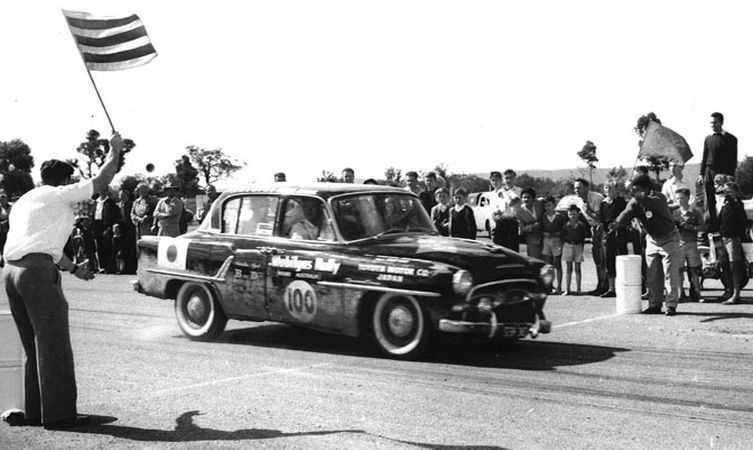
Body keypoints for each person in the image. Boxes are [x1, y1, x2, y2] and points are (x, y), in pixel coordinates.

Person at [2, 132, 123, 428]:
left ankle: (36, 411)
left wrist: (74, 269)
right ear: (65, 180)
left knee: (34, 347)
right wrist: (115, 151)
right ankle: (60, 414)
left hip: (12, 272)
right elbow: (102, 180)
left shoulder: (27, 200)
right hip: (37, 275)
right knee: (54, 345)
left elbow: (45, 246)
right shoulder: (59, 194)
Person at [611, 174, 682, 316]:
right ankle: (655, 305)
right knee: (652, 273)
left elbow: (650, 203)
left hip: (669, 239)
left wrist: (634, 193)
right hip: (652, 239)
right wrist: (617, 223)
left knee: (670, 273)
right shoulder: (635, 201)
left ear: (646, 188)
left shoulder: (659, 198)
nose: (634, 191)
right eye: (634, 189)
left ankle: (671, 305)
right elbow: (627, 212)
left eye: (637, 189)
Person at [698, 112, 737, 230]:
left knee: (725, 199)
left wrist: (730, 177)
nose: (712, 125)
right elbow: (704, 157)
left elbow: (733, 159)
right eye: (711, 122)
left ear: (721, 122)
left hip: (723, 173)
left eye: (715, 122)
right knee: (710, 201)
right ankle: (713, 228)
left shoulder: (731, 139)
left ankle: (726, 225)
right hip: (709, 172)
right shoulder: (708, 138)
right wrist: (701, 173)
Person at [574, 178, 607, 296]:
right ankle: (600, 285)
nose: (577, 190)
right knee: (597, 258)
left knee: (604, 259)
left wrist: (588, 211)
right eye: (575, 188)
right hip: (593, 230)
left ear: (586, 188)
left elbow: (600, 217)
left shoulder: (597, 198)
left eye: (579, 188)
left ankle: (606, 286)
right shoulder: (579, 202)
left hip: (603, 230)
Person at [717, 182, 747, 304]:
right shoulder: (725, 203)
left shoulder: (738, 204)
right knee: (724, 265)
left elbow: (742, 221)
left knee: (735, 266)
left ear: (735, 191)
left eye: (729, 191)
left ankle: (736, 294)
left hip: (733, 238)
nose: (726, 193)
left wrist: (738, 235)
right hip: (723, 237)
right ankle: (729, 290)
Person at [673, 187, 704, 302]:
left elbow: (702, 226)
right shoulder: (675, 213)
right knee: (679, 269)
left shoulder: (695, 212)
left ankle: (696, 292)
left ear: (688, 198)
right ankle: (681, 293)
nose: (679, 201)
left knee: (694, 269)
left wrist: (692, 228)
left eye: (681, 198)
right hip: (679, 243)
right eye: (677, 198)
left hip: (692, 243)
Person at [599, 180, 628, 298]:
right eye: (607, 188)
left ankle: (624, 285)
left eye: (611, 188)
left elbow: (625, 215)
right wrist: (602, 228)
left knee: (622, 258)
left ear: (616, 189)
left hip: (620, 234)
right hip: (608, 235)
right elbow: (601, 219)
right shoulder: (603, 204)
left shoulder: (620, 201)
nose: (609, 190)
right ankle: (612, 288)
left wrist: (618, 224)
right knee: (609, 261)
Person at [490, 170, 522, 252]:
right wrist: (496, 213)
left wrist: (504, 192)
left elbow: (512, 203)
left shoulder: (518, 191)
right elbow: (495, 208)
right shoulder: (498, 192)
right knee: (499, 251)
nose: (508, 180)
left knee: (512, 252)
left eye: (511, 178)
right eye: (506, 178)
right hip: (500, 223)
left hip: (512, 222)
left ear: (515, 179)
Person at [540, 196, 565, 294]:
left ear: (554, 205)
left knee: (557, 264)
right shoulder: (543, 217)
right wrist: (544, 233)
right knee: (548, 265)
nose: (547, 208)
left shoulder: (559, 217)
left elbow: (564, 230)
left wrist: (558, 233)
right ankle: (549, 287)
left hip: (557, 241)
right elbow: (540, 229)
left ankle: (559, 287)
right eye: (546, 206)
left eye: (549, 205)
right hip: (546, 241)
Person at [92, 188, 120, 274]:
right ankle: (103, 267)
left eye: (104, 190)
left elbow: (113, 215)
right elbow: (93, 214)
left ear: (106, 191)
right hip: (97, 225)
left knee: (107, 247)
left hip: (106, 226)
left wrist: (109, 228)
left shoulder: (110, 202)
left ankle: (110, 267)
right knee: (99, 247)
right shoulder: (96, 202)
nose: (102, 192)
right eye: (101, 190)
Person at [563, 204, 588, 295]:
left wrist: (582, 248)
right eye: (570, 214)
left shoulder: (582, 225)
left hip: (578, 246)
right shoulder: (565, 225)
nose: (572, 216)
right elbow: (563, 236)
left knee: (578, 268)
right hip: (568, 245)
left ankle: (578, 289)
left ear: (578, 214)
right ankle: (567, 289)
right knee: (568, 268)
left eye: (574, 214)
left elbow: (583, 238)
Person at [516, 188, 543, 259]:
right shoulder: (520, 211)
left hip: (545, 237)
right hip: (532, 240)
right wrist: (532, 226)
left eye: (528, 197)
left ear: (533, 198)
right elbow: (522, 228)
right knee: (535, 261)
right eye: (524, 197)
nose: (526, 199)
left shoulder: (539, 205)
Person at [116, 189, 137, 274]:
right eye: (121, 195)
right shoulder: (118, 205)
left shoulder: (131, 204)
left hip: (130, 228)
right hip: (121, 229)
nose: (122, 197)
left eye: (124, 195)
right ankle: (123, 268)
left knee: (131, 249)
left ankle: (131, 268)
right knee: (123, 249)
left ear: (128, 196)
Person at [0, 192, 11, 265]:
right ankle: (2, 256)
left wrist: (4, 223)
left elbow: (12, 217)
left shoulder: (10, 207)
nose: (1, 201)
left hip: (9, 226)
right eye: (0, 200)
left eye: (3, 200)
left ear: (6, 200)